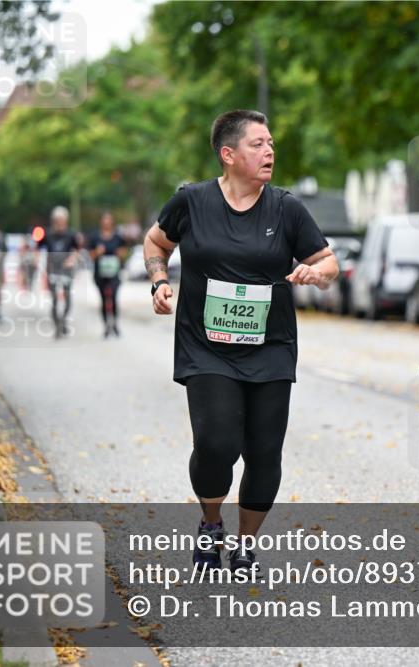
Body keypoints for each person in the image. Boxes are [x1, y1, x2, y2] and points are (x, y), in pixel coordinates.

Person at [144, 109, 338, 571]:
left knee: (264, 451)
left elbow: (329, 262)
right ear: (228, 155)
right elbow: (156, 244)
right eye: (258, 144)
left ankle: (246, 541)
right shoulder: (190, 201)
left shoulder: (287, 208)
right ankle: (211, 523)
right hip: (206, 344)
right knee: (216, 442)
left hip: (270, 347)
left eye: (271, 143)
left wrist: (317, 272)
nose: (269, 151)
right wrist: (158, 280)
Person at [39, 206, 80, 339]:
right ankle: (57, 325)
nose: (60, 222)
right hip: (52, 270)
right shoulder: (48, 234)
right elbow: (39, 248)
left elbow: (76, 250)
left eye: (62, 220)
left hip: (66, 271)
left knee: (67, 300)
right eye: (58, 220)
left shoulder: (71, 234)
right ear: (54, 220)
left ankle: (63, 321)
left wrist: (72, 259)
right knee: (54, 300)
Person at [88, 211, 127, 337]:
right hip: (100, 273)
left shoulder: (118, 237)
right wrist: (97, 253)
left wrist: (120, 255)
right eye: (104, 220)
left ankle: (115, 323)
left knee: (114, 297)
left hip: (114, 273)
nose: (106, 222)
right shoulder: (95, 237)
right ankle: (106, 325)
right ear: (101, 222)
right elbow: (90, 256)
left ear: (112, 222)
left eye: (109, 220)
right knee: (104, 299)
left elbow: (124, 252)